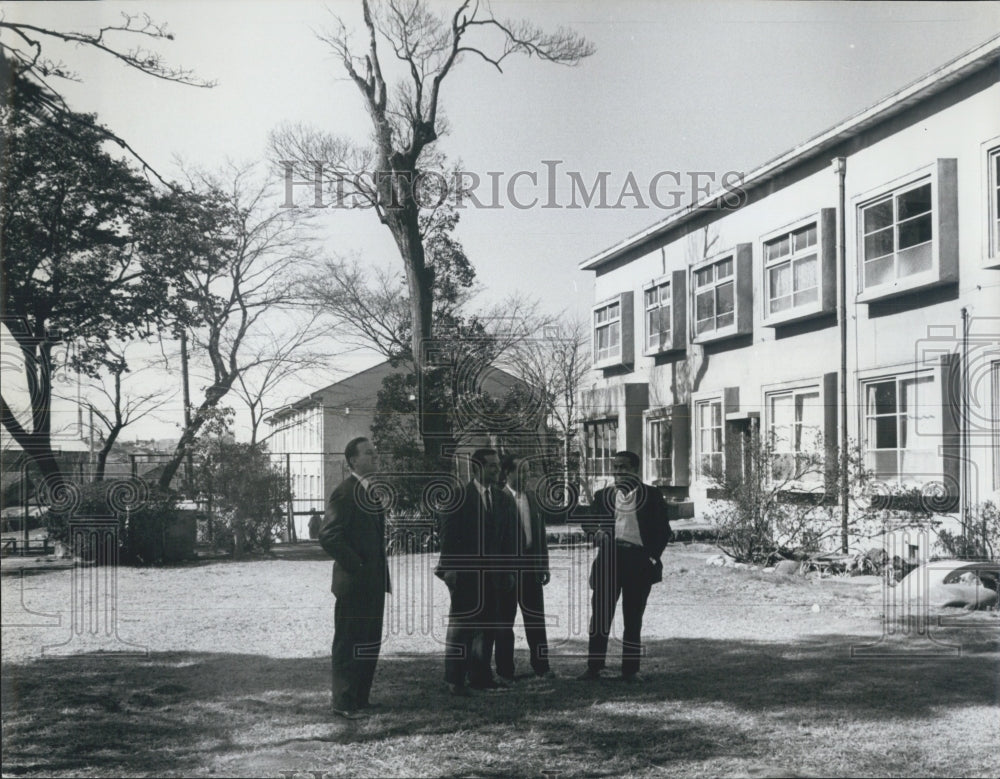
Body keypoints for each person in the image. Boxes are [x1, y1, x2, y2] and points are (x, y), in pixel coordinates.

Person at [571, 450, 672, 682]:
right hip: (609, 560)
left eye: (623, 467)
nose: (618, 472)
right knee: (600, 617)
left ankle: (630, 671)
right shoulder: (602, 495)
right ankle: (594, 667)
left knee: (633, 618)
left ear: (635, 470)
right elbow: (587, 521)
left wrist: (651, 557)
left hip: (638, 561)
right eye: (615, 467)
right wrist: (595, 531)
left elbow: (663, 531)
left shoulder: (652, 496)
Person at [319, 437, 389, 719]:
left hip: (372, 583)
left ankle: (360, 698)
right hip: (354, 584)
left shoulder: (369, 491)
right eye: (369, 453)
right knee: (349, 642)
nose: (375, 456)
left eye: (374, 451)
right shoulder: (345, 492)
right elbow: (328, 536)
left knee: (369, 641)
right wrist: (357, 565)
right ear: (353, 461)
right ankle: (343, 702)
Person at [436, 448, 516, 695]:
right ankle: (454, 680)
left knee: (487, 627)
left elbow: (507, 540)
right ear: (477, 468)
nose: (497, 470)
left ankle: (480, 676)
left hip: (494, 575)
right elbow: (448, 537)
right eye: (491, 466)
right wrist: (449, 571)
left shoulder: (503, 499)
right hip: (465, 574)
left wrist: (509, 571)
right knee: (461, 628)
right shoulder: (459, 497)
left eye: (497, 465)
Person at [494, 454, 555, 681]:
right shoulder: (498, 500)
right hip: (508, 569)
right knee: (504, 622)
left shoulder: (533, 497)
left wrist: (544, 565)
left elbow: (540, 535)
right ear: (507, 473)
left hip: (532, 567)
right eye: (521, 471)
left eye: (528, 471)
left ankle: (542, 666)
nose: (526, 475)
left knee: (536, 620)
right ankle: (504, 671)